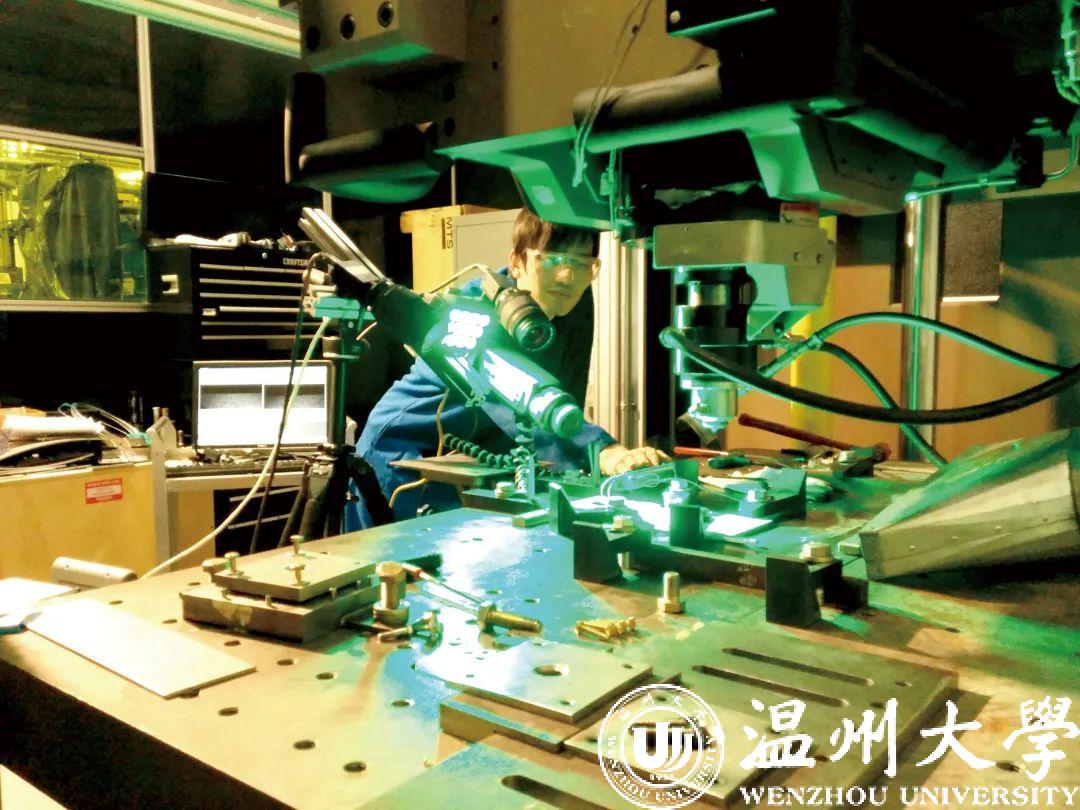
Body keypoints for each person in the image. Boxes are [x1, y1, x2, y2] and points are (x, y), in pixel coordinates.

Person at [345, 209, 669, 530]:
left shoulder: (570, 310)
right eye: (552, 260)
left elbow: (562, 394)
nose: (568, 276)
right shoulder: (473, 313)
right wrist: (602, 450)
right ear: (516, 262)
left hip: (469, 463)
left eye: (582, 264)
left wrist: (589, 457)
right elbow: (514, 403)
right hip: (403, 456)